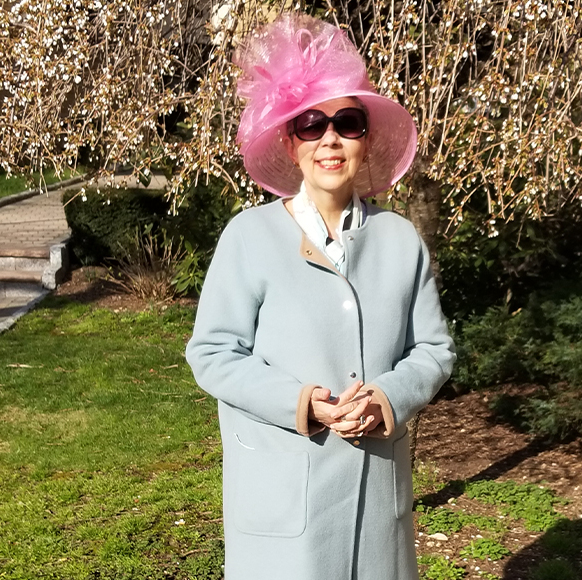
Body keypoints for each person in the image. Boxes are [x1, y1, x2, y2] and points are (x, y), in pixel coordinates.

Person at [185, 13, 456, 580]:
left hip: (378, 499)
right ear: (289, 141)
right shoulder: (249, 238)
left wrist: (385, 398)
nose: (330, 139)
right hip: (285, 501)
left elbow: (433, 350)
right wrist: (304, 402)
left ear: (366, 137)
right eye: (310, 124)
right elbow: (212, 353)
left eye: (347, 123)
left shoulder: (400, 240)